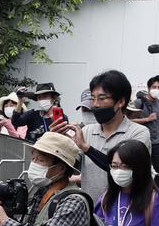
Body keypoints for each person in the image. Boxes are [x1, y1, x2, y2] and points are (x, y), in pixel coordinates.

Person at [54, 70, 152, 204]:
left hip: (125, 210)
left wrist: (87, 148)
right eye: (93, 98)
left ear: (120, 101)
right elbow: (70, 166)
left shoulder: (138, 133)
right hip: (90, 209)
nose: (95, 104)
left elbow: (125, 170)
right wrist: (56, 141)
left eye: (101, 98)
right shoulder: (87, 131)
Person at [135, 75, 159, 188]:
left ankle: (154, 194)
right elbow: (126, 120)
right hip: (140, 143)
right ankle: (140, 195)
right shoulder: (138, 102)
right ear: (148, 87)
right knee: (140, 172)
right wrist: (146, 119)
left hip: (156, 143)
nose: (156, 89)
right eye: (154, 87)